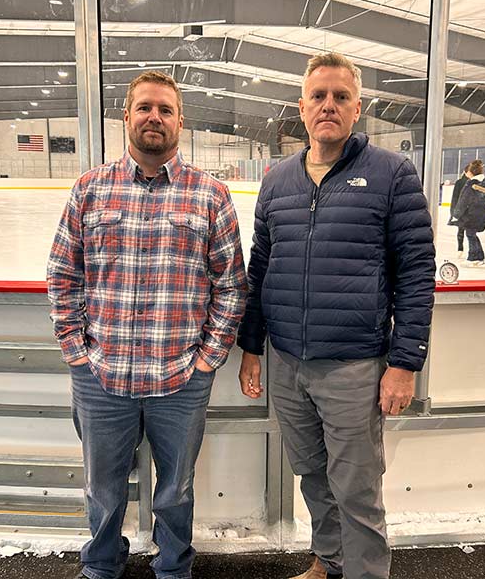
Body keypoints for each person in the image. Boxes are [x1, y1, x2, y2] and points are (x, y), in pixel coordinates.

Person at [236, 52, 436, 579]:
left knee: (357, 488)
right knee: (312, 476)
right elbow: (261, 267)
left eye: (340, 97)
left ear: (357, 108)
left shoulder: (391, 173)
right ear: (301, 108)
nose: (329, 105)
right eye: (319, 96)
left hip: (354, 366)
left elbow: (417, 272)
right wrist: (252, 347)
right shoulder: (278, 180)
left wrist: (405, 363)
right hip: (288, 362)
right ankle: (329, 562)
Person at [47, 70, 247, 579]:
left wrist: (207, 360)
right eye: (144, 107)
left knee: (176, 488)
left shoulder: (210, 195)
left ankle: (173, 567)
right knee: (101, 486)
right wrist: (76, 352)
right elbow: (63, 274)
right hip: (101, 375)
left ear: (180, 121)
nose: (154, 117)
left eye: (165, 109)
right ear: (127, 117)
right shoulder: (90, 189)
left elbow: (231, 285)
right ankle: (101, 564)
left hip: (180, 377)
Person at [453, 159, 485, 266]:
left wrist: (456, 214)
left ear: (471, 172)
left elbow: (463, 201)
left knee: (470, 234)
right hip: (482, 213)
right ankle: (480, 256)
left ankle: (473, 258)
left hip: (471, 215)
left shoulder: (471, 184)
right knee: (472, 234)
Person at [449, 163, 472, 258]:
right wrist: (453, 211)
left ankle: (465, 250)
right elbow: (455, 197)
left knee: (467, 231)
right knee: (464, 230)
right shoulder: (462, 182)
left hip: (466, 210)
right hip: (463, 210)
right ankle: (461, 249)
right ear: (465, 172)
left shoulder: (473, 182)